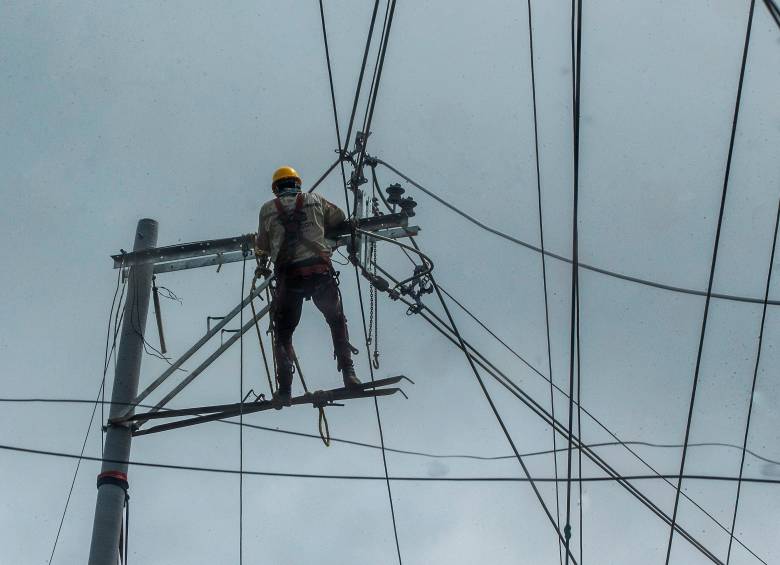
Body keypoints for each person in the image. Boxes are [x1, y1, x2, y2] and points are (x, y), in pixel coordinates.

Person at [254, 165, 361, 401]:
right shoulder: (314, 200)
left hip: (289, 277)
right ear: (297, 184)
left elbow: (262, 243)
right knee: (335, 319)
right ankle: (349, 372)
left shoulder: (267, 209)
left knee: (283, 333)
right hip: (319, 273)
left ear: (276, 189)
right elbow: (340, 218)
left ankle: (284, 390)